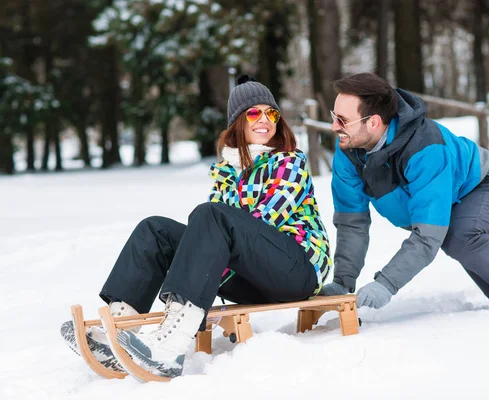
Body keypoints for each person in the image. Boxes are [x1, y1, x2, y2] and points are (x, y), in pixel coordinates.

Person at [61, 75, 332, 378]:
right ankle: (122, 328)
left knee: (210, 215)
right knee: (156, 230)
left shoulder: (290, 161)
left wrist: (199, 263)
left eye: (271, 113)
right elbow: (218, 238)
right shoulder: (226, 172)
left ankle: (174, 340)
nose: (265, 120)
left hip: (296, 271)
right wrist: (199, 260)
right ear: (238, 123)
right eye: (254, 113)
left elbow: (263, 222)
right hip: (250, 279)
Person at [319, 72, 489, 309]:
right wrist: (344, 282)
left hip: (486, 185)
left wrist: (386, 284)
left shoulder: (424, 149)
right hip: (448, 203)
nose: (334, 127)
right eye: (335, 116)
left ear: (374, 122)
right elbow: (351, 222)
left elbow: (429, 236)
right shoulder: (349, 153)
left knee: (459, 239)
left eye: (342, 120)